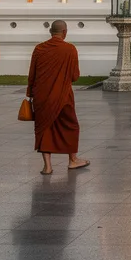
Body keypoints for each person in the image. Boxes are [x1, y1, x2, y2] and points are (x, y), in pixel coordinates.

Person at [26, 20, 89, 175]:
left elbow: (32, 74)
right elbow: (74, 76)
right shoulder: (70, 49)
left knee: (44, 128)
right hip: (63, 97)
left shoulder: (39, 49)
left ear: (50, 32)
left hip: (42, 96)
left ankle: (47, 166)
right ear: (65, 32)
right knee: (70, 126)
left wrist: (30, 93)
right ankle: (72, 160)